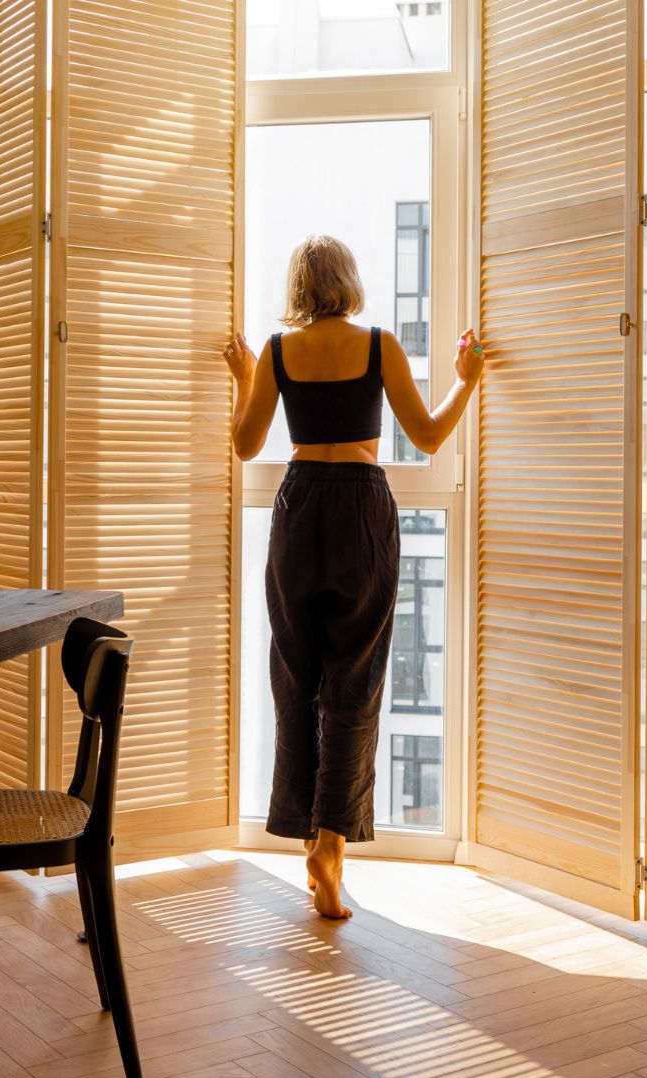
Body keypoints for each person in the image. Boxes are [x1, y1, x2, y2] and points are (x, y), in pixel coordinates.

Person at [223, 234, 485, 919]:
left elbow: (247, 444)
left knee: (297, 677)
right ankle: (331, 846)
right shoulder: (379, 345)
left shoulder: (280, 353)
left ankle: (310, 832)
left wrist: (248, 375)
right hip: (363, 510)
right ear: (349, 280)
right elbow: (426, 436)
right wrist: (466, 379)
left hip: (300, 504)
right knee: (354, 681)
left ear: (298, 288)